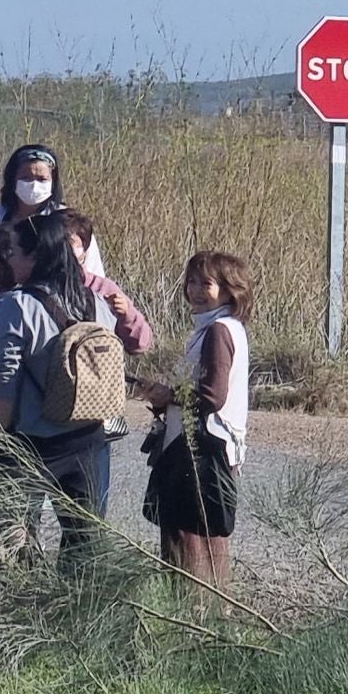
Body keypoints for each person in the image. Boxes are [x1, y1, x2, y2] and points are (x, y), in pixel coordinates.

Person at [0, 214, 120, 559]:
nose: (10, 260)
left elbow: (5, 384)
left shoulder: (15, 304)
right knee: (86, 546)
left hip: (31, 443)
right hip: (90, 439)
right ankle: (81, 610)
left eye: (16, 252)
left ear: (36, 256)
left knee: (13, 543)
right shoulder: (95, 302)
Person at [142, 251, 253, 596]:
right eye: (191, 282)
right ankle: (213, 619)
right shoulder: (222, 328)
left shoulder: (218, 331)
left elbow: (211, 396)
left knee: (188, 543)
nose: (195, 290)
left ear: (230, 290)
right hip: (207, 448)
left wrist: (167, 394)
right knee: (208, 540)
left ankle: (191, 620)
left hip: (199, 451)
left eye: (207, 283)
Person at [0, 208, 153, 371]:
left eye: (72, 244)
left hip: (90, 400)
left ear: (85, 249)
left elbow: (141, 343)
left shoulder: (103, 290)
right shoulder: (25, 289)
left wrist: (126, 315)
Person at [0, 144, 106, 279]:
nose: (34, 185)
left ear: (53, 182)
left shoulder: (70, 224)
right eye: (26, 178)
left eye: (42, 179)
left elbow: (93, 276)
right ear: (12, 180)